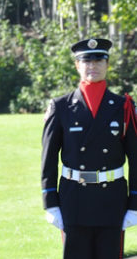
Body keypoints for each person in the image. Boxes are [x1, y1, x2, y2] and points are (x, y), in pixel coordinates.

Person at [41, 38, 137, 258]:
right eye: (86, 61)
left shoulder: (123, 106)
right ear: (77, 65)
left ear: (107, 64)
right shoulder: (61, 106)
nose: (92, 66)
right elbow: (47, 158)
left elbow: (135, 157)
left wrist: (135, 202)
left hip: (111, 199)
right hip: (74, 198)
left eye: (98, 60)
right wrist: (50, 201)